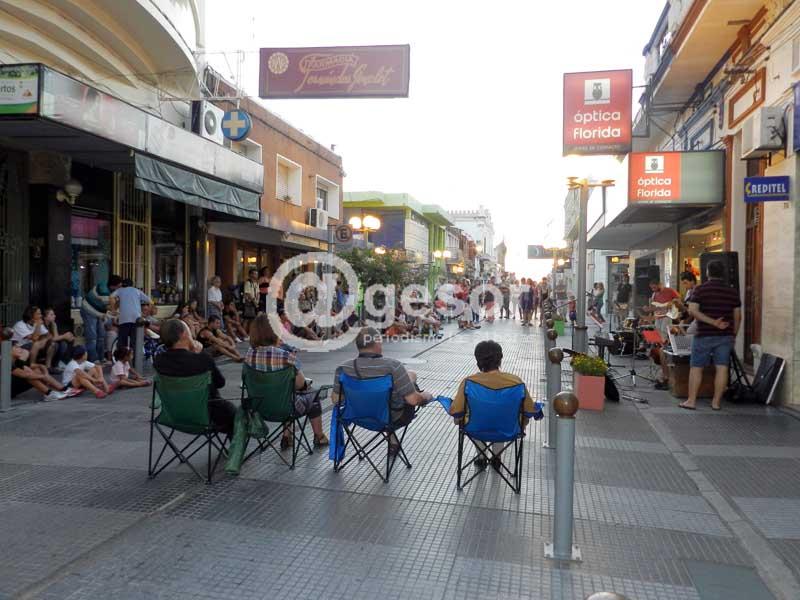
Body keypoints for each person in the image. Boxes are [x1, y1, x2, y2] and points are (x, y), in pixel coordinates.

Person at [332, 327, 432, 456]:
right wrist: (426, 396)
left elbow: (336, 399)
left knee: (395, 389)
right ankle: (411, 382)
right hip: (391, 418)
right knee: (401, 389)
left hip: (357, 416)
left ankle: (393, 441)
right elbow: (413, 400)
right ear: (378, 342)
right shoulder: (393, 366)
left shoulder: (343, 368)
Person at [449, 340, 537, 471]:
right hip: (508, 430)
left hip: (475, 429)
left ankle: (481, 457)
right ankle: (497, 457)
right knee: (503, 416)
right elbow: (530, 409)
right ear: (500, 359)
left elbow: (456, 410)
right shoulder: (516, 382)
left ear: (478, 361)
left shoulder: (469, 382)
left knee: (471, 416)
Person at [244, 314, 329, 448]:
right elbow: (301, 384)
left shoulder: (249, 355)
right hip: (286, 409)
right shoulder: (285, 356)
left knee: (286, 393)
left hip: (258, 409)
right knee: (312, 395)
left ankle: (287, 436)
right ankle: (319, 436)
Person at [153, 318, 235, 434]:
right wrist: (199, 353)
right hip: (206, 416)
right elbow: (220, 383)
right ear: (183, 334)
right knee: (236, 415)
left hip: (173, 416)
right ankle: (235, 444)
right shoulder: (202, 359)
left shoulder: (159, 361)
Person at [680, 261, 742, 411]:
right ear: (724, 273)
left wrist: (713, 322)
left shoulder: (700, 290)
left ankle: (691, 401)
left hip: (704, 334)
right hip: (725, 336)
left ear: (707, 272)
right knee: (722, 367)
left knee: (696, 367)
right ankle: (716, 403)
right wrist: (733, 335)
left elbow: (693, 311)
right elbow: (738, 316)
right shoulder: (732, 291)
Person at [5, 333, 67, 401]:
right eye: (16, 347)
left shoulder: (16, 361)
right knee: (29, 376)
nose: (20, 349)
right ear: (8, 350)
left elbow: (32, 367)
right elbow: (25, 374)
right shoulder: (5, 362)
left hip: (11, 389)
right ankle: (49, 394)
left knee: (35, 370)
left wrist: (42, 368)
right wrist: (44, 376)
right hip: (5, 392)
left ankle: (63, 389)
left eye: (19, 347)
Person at [80, 275, 122, 363]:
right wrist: (119, 302)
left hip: (99, 312)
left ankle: (101, 357)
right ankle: (94, 359)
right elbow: (111, 308)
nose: (120, 288)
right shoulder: (104, 292)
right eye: (119, 286)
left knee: (101, 335)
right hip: (89, 310)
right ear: (113, 286)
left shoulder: (108, 288)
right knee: (92, 336)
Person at [111, 278, 150, 351]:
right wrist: (146, 313)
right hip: (136, 319)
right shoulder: (137, 291)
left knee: (122, 342)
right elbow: (149, 300)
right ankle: (133, 356)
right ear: (132, 285)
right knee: (134, 341)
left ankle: (123, 356)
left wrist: (113, 309)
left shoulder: (120, 290)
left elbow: (111, 297)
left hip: (124, 319)